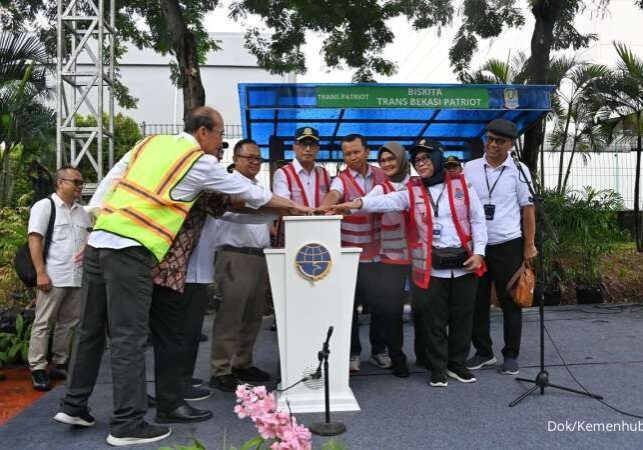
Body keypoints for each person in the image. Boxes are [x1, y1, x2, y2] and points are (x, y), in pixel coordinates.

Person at [53, 107, 311, 447]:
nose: (221, 144)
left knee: (90, 330)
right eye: (220, 135)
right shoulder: (198, 161)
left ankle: (74, 404)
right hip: (133, 249)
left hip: (102, 241)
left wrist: (95, 225)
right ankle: (127, 424)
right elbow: (250, 192)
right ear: (203, 132)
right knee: (129, 337)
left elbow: (110, 182)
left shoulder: (148, 143)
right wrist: (297, 207)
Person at [324, 139, 487, 387]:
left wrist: (480, 252)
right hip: (429, 263)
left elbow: (477, 220)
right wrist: (356, 204)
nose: (421, 164)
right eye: (417, 160)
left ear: (438, 158)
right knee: (433, 319)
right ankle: (438, 367)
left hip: (465, 261)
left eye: (426, 159)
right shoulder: (412, 191)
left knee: (463, 317)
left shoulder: (462, 185)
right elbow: (385, 201)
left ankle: (457, 364)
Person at [464, 119, 537, 376]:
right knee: (477, 301)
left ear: (510, 144)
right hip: (478, 247)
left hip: (509, 244)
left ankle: (511, 354)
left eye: (499, 141)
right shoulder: (469, 169)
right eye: (490, 139)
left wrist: (529, 246)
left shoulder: (520, 171)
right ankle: (484, 352)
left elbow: (528, 210)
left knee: (511, 301)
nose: (493, 144)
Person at [209, 139, 277, 392]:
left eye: (258, 158)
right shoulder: (228, 185)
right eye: (249, 157)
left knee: (253, 315)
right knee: (231, 315)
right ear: (235, 160)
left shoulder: (258, 186)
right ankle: (221, 368)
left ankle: (242, 362)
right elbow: (236, 210)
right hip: (234, 255)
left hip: (259, 256)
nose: (254, 162)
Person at [320, 134, 388, 373]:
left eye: (356, 152)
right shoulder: (341, 179)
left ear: (367, 152)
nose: (351, 157)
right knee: (349, 306)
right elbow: (334, 195)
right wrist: (326, 206)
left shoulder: (382, 175)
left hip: (379, 252)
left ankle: (379, 351)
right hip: (349, 252)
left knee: (381, 305)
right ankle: (352, 353)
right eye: (347, 153)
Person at [27, 166, 91, 391]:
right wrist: (41, 272)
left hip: (75, 276)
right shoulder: (46, 206)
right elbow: (35, 239)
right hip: (53, 275)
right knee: (43, 322)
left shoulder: (82, 212)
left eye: (81, 182)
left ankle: (59, 362)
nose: (80, 186)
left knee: (69, 323)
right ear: (60, 183)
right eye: (76, 182)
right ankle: (37, 368)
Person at [361, 142, 412, 377]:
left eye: (391, 159)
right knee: (393, 311)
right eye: (383, 161)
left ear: (402, 159)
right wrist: (350, 205)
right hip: (392, 258)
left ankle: (427, 356)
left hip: (422, 258)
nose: (387, 164)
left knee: (424, 310)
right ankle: (397, 356)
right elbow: (366, 203)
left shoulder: (419, 185)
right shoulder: (382, 188)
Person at [272, 126, 330, 246]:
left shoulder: (324, 173)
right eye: (303, 144)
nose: (308, 149)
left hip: (321, 237)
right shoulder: (282, 173)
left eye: (312, 144)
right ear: (294, 147)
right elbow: (283, 206)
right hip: (292, 237)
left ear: (318, 149)